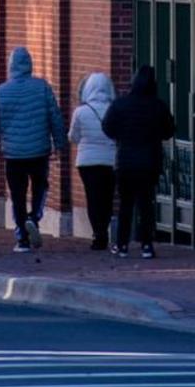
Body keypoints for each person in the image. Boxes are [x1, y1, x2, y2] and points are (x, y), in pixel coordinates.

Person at [0, 45, 67, 253]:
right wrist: (59, 144)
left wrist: (7, 132)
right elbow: (55, 117)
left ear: (11, 66)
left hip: (13, 153)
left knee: (17, 194)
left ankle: (22, 237)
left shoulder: (1, 92)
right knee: (40, 186)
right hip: (39, 150)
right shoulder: (43, 88)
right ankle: (34, 217)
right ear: (30, 64)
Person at [102, 64, 175, 260]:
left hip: (125, 161)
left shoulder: (120, 104)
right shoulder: (157, 106)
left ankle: (122, 245)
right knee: (146, 204)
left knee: (125, 204)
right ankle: (147, 245)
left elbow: (107, 126)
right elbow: (169, 130)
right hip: (149, 161)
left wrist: (121, 136)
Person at [68, 71, 116, 251]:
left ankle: (98, 233)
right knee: (107, 197)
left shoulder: (80, 111)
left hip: (87, 162)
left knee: (93, 197)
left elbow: (73, 137)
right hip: (110, 160)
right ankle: (104, 229)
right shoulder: (114, 109)